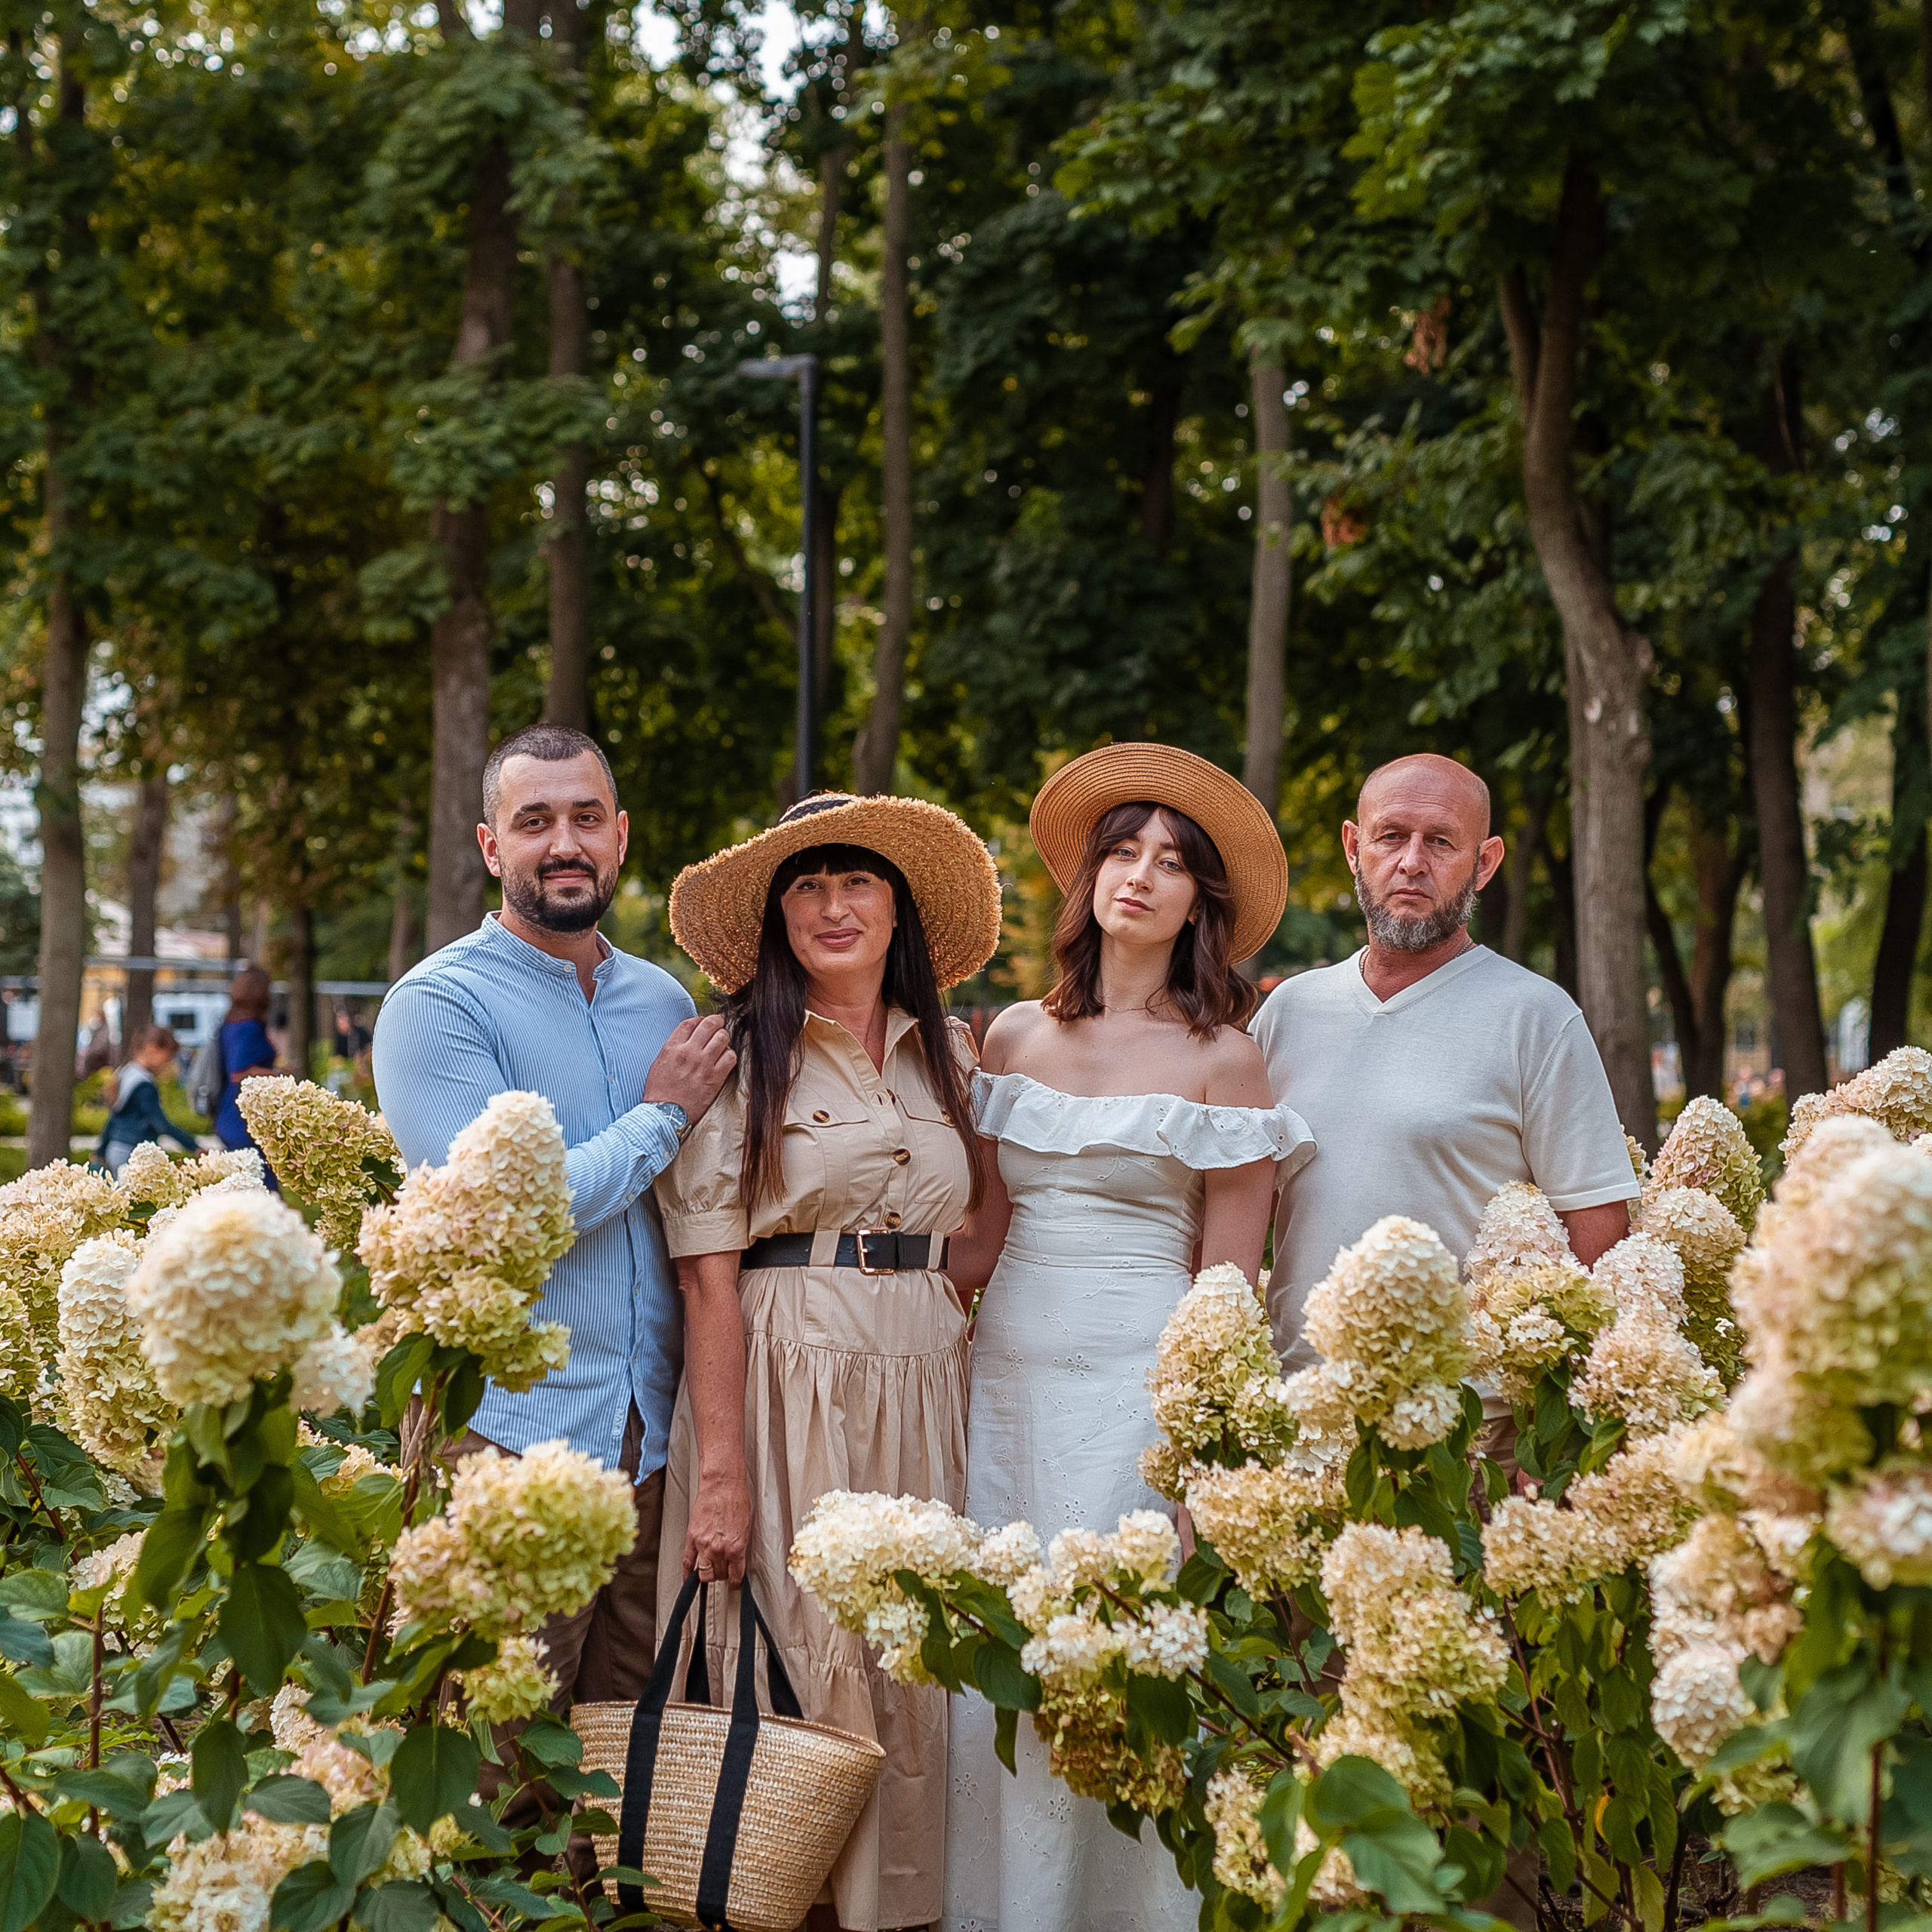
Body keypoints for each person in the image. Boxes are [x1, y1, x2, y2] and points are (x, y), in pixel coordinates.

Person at [941, 743, 1314, 1932]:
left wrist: (1202, 1474)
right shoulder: (1011, 1038)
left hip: (1140, 1393)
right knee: (1000, 1663)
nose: (1140, 876)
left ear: (1203, 902)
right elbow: (981, 1242)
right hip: (1006, 1388)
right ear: (1089, 877)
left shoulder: (1226, 1059)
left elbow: (1227, 1284)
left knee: (1119, 1662)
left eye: (1170, 863)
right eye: (1123, 852)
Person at [655, 792, 1003, 1932]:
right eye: (807, 884)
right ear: (776, 915)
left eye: (858, 881)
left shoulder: (950, 1049)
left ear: (898, 906)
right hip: (782, 1375)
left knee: (913, 1662)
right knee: (802, 1660)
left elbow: (983, 1227)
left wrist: (932, 1319)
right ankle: (784, 1905)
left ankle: (897, 1915)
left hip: (922, 1379)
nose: (833, 905)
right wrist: (720, 1474)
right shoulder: (736, 1049)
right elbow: (707, 1275)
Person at [371, 721, 737, 1712]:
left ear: (621, 838)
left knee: (626, 1768)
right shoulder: (438, 1006)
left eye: (585, 818)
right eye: (534, 822)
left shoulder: (662, 1000)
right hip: (506, 1441)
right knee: (493, 1754)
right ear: (494, 848)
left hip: (649, 1441)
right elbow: (508, 1210)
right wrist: (662, 1115)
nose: (563, 843)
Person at [1254, 752, 1638, 1374]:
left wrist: (1550, 1430)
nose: (1411, 862)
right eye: (1391, 837)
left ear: (1484, 863)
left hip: (1467, 1432)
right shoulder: (1288, 1012)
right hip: (1303, 1412)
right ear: (1355, 847)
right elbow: (1243, 1208)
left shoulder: (1536, 1017)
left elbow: (1597, 1231)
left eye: (1439, 842)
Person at [99, 1026, 200, 1176]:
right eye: (168, 1057)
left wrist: (101, 1150)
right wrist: (194, 1147)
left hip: (116, 1148)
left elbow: (113, 1119)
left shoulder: (126, 1073)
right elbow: (161, 1124)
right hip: (133, 1151)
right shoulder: (144, 1086)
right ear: (152, 1049)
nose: (168, 1063)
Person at [215, 966, 281, 1178]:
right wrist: (276, 1075)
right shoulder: (248, 1027)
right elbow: (238, 1072)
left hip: (233, 1113)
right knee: (261, 1185)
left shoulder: (231, 1023)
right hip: (242, 1119)